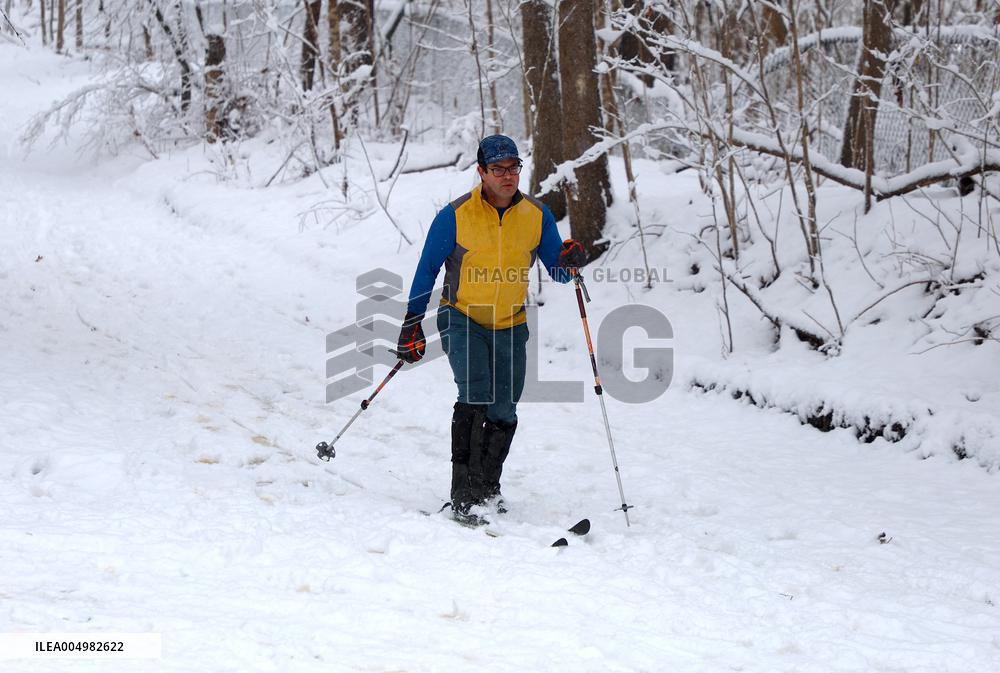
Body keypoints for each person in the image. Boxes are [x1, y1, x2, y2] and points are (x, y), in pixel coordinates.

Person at [396, 134, 587, 524]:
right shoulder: (455, 215)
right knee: (475, 393)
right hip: (462, 316)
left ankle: (487, 487)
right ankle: (463, 495)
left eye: (513, 167)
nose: (506, 176)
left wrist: (571, 261)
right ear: (481, 171)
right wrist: (411, 323)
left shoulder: (536, 216)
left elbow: (559, 272)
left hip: (511, 324)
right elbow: (426, 271)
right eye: (497, 169)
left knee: (505, 408)